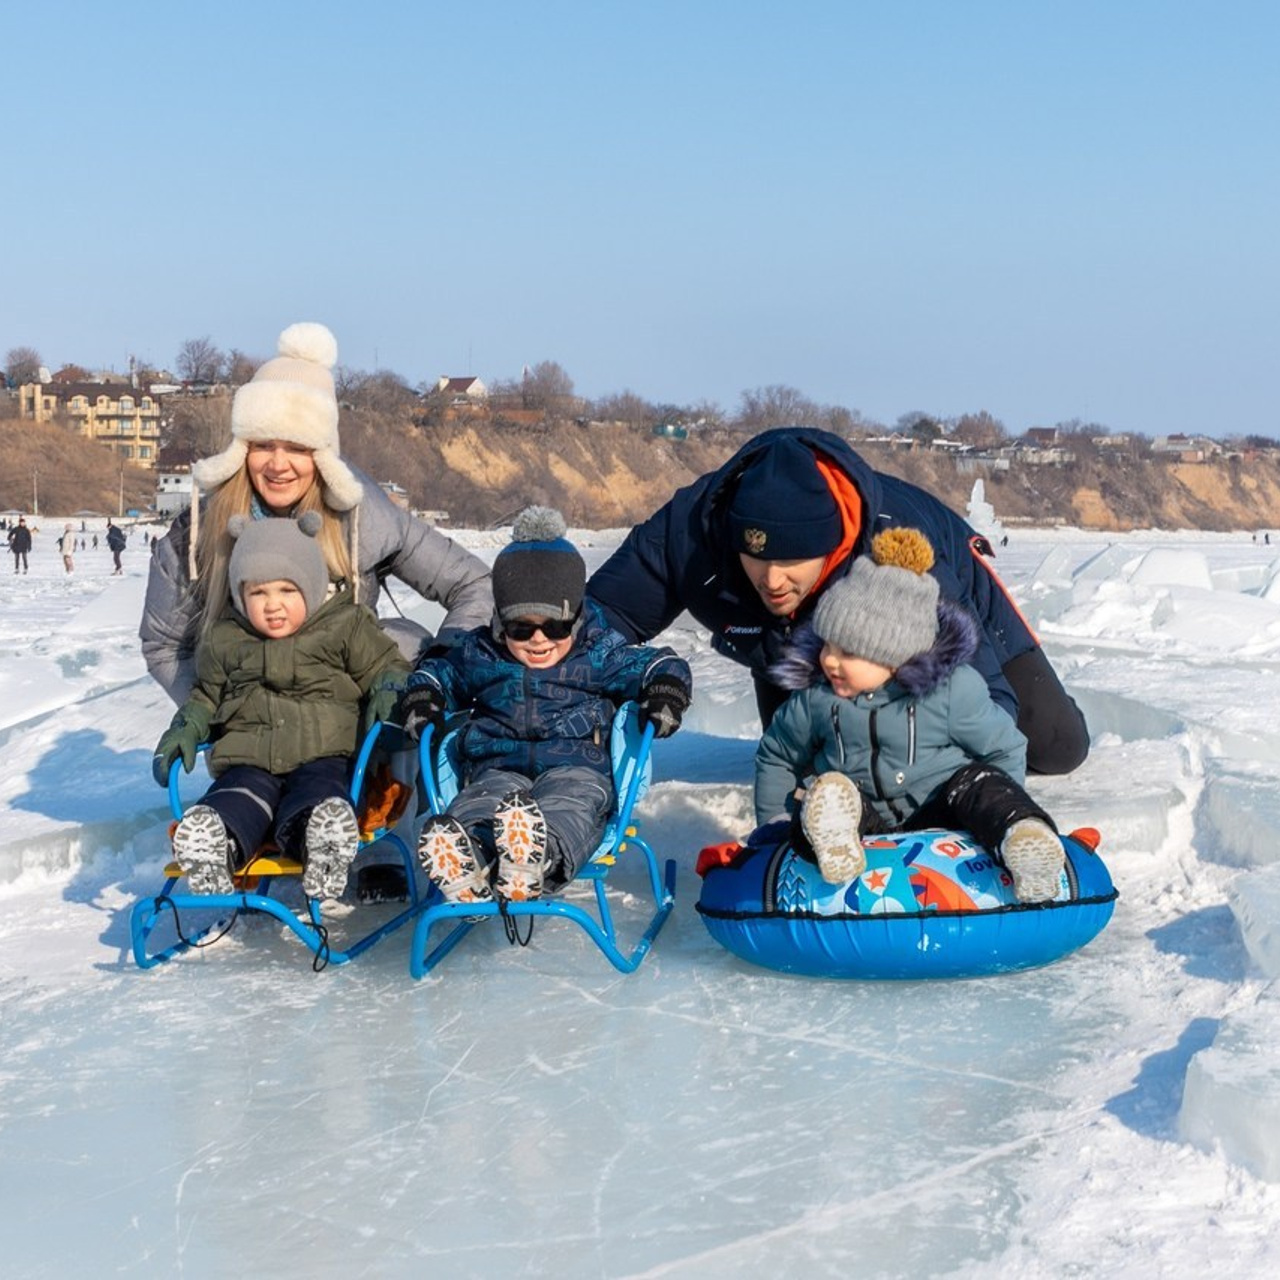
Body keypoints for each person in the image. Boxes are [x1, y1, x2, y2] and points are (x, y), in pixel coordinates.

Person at [588, 427, 1089, 776]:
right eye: (756, 559)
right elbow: (591, 625)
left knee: (1055, 746)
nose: (773, 580)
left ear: (831, 548)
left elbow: (981, 695)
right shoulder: (686, 534)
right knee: (817, 762)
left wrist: (946, 780)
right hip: (786, 650)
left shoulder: (898, 556)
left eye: (793, 562)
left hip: (952, 590)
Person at [139, 321, 493, 707]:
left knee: (404, 641)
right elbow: (165, 645)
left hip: (355, 722)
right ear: (242, 448)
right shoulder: (199, 533)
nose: (278, 464)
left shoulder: (367, 518)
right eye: (263, 444)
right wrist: (220, 716)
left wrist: (437, 674)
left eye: (297, 447)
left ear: (324, 452)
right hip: (254, 732)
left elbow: (475, 585)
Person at [392, 507, 693, 905]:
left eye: (555, 627)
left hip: (577, 768)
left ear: (577, 618)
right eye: (521, 628)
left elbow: (657, 664)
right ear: (500, 622)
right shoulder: (481, 654)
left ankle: (539, 860)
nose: (538, 640)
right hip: (496, 767)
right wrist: (423, 696)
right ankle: (470, 865)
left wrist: (666, 689)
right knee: (479, 806)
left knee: (570, 807)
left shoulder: (598, 652)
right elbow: (439, 673)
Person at [754, 527, 1065, 904]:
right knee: (829, 793)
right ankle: (831, 838)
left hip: (946, 816)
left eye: (848, 652)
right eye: (827, 645)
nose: (829, 660)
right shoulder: (817, 698)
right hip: (864, 822)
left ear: (896, 656)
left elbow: (1005, 747)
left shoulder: (950, 692)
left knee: (977, 782)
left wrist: (995, 810)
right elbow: (778, 753)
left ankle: (1020, 838)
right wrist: (774, 827)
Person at [152, 512, 410, 898]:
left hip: (323, 756)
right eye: (258, 593)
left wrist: (389, 687)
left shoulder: (344, 625)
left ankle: (320, 845)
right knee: (236, 798)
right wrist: (186, 726)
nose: (273, 605)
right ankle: (215, 846)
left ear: (310, 586)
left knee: (318, 798)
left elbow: (385, 664)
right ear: (240, 595)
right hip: (249, 760)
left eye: (286, 591)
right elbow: (206, 695)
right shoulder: (226, 638)